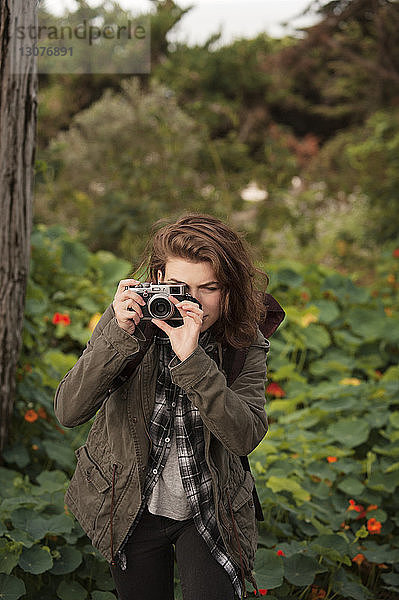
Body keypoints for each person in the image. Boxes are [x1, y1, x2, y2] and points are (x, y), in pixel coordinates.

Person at [54, 213, 284, 600]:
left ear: (228, 290)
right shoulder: (130, 323)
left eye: (208, 288)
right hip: (131, 501)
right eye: (178, 287)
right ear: (157, 280)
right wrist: (116, 336)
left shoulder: (244, 339)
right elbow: (68, 411)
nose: (192, 301)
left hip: (210, 504)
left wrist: (193, 360)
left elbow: (244, 436)